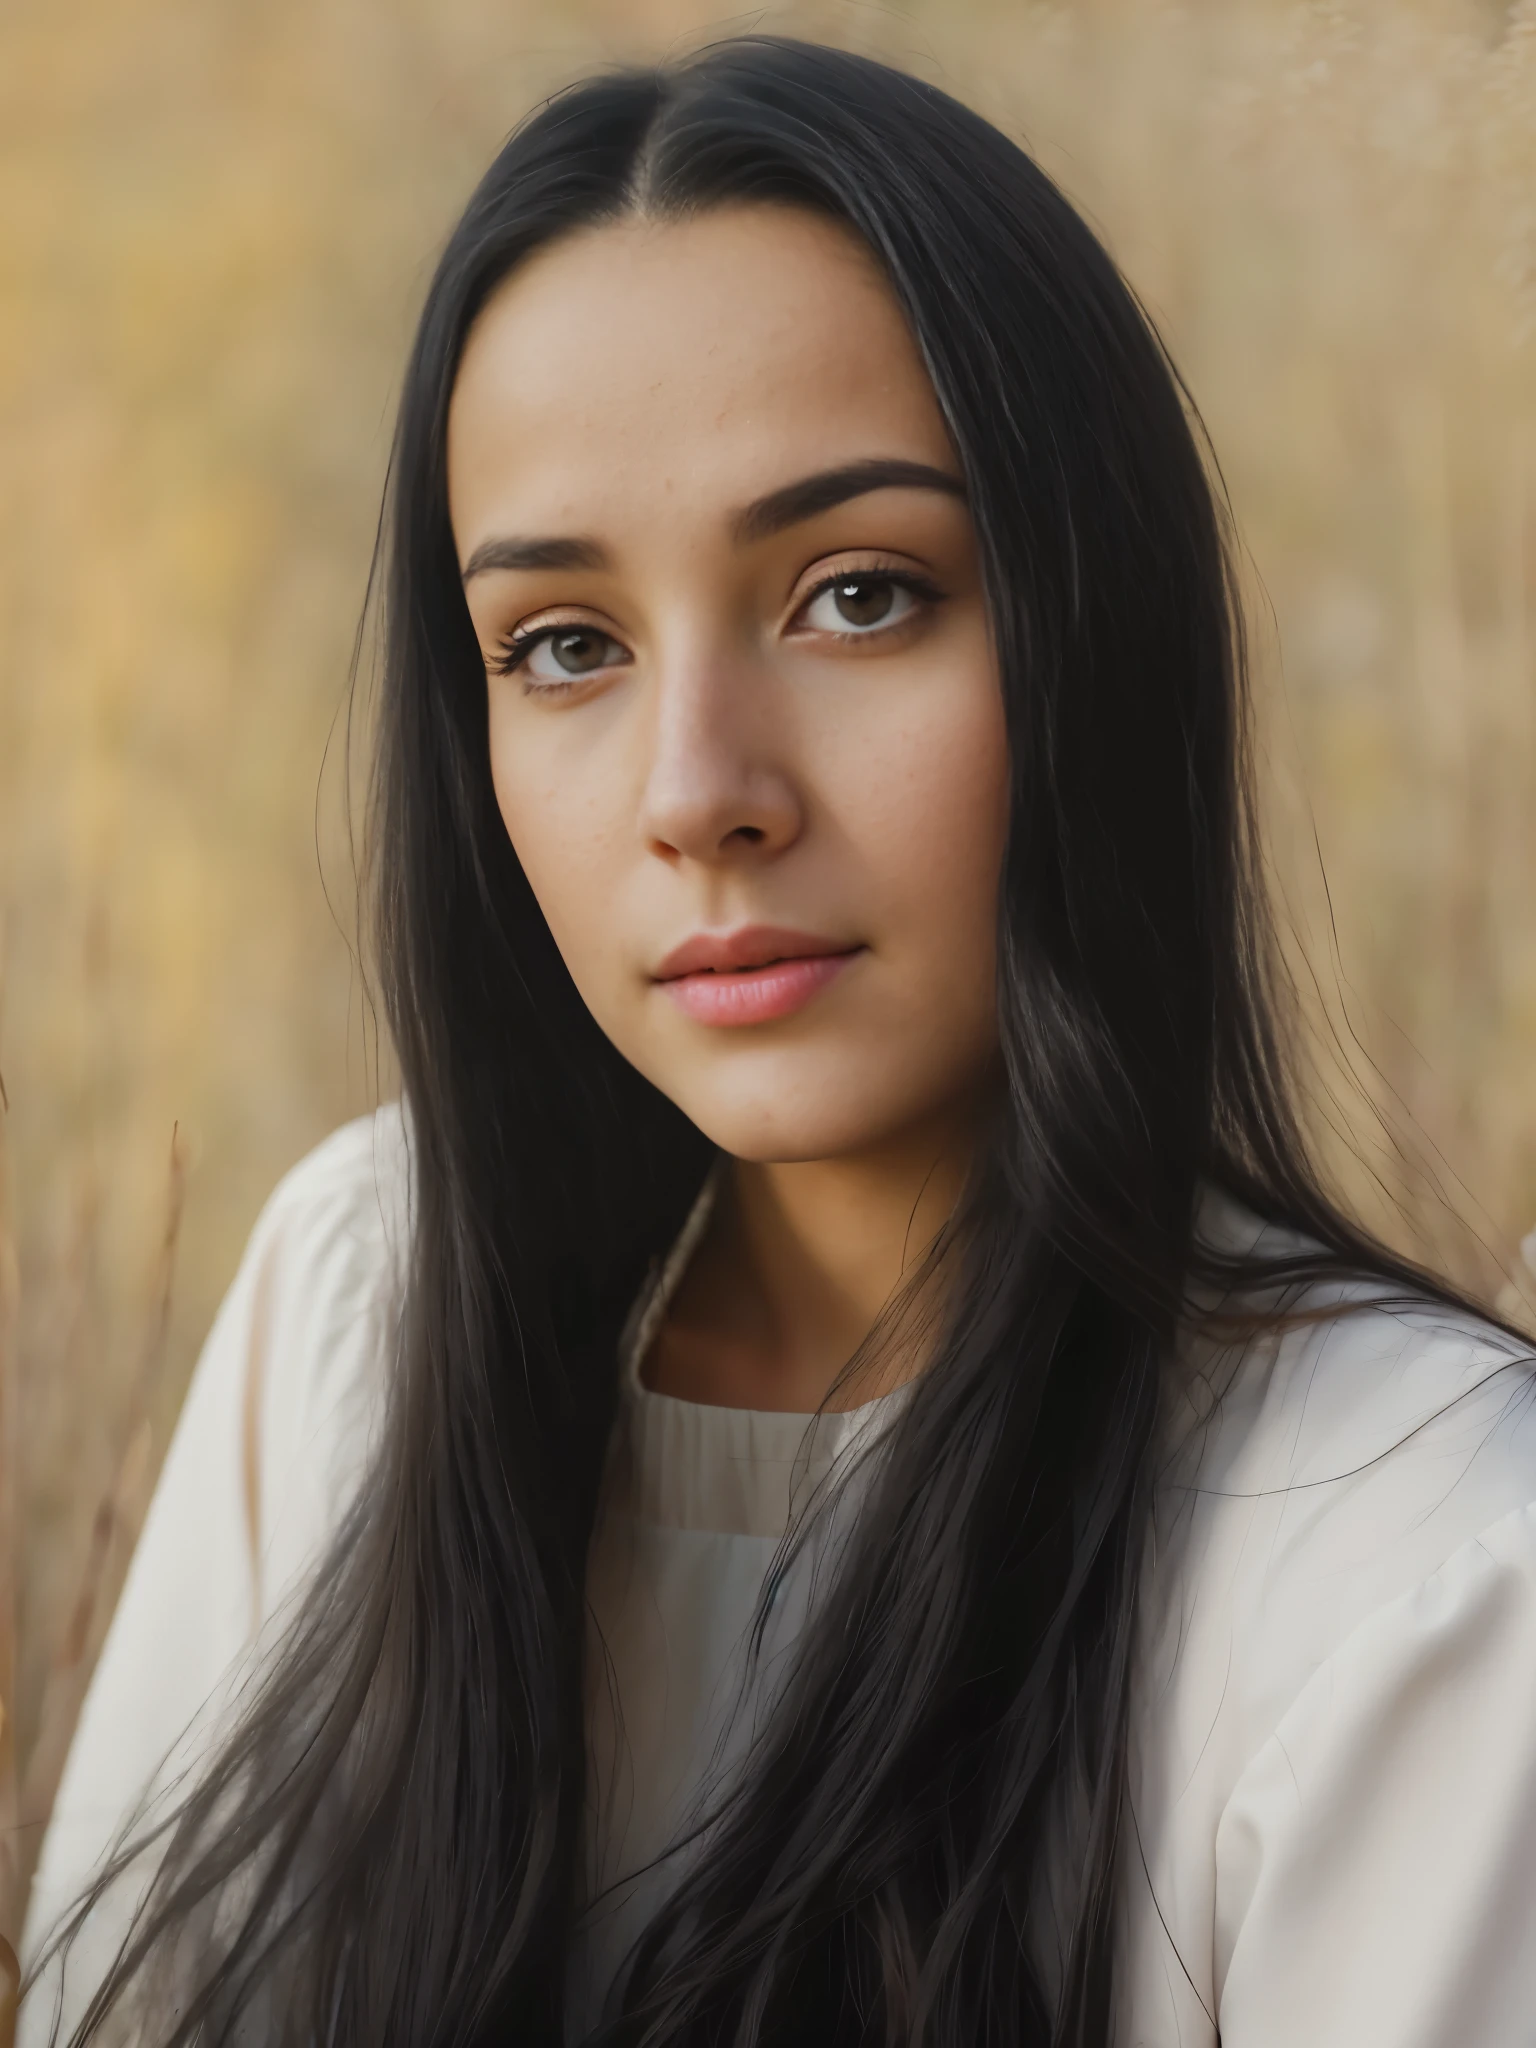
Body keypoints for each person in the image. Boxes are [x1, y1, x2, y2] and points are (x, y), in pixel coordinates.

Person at [20, 36, 1536, 2048]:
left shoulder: (1424, 1567)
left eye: (855, 595)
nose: (698, 790)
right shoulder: (356, 1309)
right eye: (565, 644)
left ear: (1095, 628)